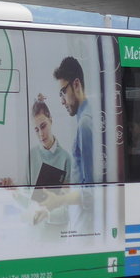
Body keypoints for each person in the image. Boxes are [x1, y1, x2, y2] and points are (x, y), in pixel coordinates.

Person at [54, 55, 97, 184]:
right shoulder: (84, 116)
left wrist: (65, 199)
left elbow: (90, 186)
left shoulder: (85, 123)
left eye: (63, 92)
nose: (62, 101)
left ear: (76, 85)